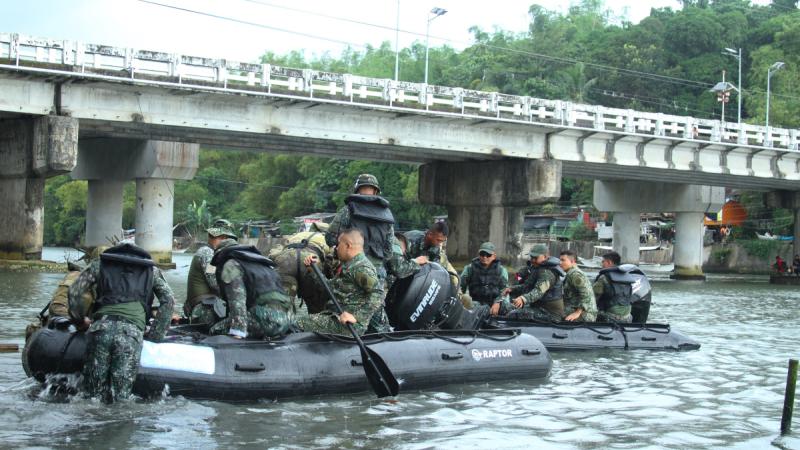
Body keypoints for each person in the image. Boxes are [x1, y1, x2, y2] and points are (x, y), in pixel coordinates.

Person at [68, 242, 175, 403]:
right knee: (121, 398)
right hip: (130, 334)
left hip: (100, 330)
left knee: (92, 398)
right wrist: (155, 335)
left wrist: (79, 320)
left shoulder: (99, 265)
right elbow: (169, 300)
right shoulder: (151, 270)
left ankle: (90, 426)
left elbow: (74, 291)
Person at [298, 229, 383, 336]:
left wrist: (357, 317)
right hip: (335, 316)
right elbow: (329, 289)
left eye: (338, 244)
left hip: (348, 326)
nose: (336, 248)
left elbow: (378, 293)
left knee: (296, 323)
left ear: (348, 245)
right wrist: (313, 270)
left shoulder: (361, 267)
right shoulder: (350, 265)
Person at [207, 236, 293, 339]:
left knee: (214, 330)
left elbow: (237, 303)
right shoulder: (263, 264)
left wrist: (238, 332)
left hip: (268, 321)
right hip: (288, 320)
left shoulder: (231, 265)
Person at [270, 222, 334, 314]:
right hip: (310, 260)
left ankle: (284, 324)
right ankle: (313, 324)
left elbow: (275, 252)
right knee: (317, 308)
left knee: (282, 305)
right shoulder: (326, 239)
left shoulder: (297, 235)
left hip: (286, 260)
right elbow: (331, 262)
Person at [183, 219, 237, 328]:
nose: (225, 241)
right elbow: (214, 282)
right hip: (204, 309)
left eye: (226, 238)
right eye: (223, 238)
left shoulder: (215, 254)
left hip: (211, 307)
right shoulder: (207, 253)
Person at [501, 243, 564, 321]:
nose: (532, 260)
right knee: (505, 308)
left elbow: (538, 291)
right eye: (531, 257)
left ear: (545, 257)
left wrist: (523, 298)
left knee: (514, 314)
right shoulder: (535, 268)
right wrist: (512, 288)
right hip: (538, 306)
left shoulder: (547, 273)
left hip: (549, 313)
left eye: (535, 257)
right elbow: (526, 285)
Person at [403, 222, 460, 301]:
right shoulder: (410, 239)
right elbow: (397, 264)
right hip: (400, 268)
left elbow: (435, 271)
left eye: (442, 241)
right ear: (430, 235)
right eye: (438, 240)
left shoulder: (435, 248)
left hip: (414, 274)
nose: (440, 244)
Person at [459, 242, 508, 315]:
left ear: (494, 256)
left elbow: (505, 291)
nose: (485, 257)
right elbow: (460, 287)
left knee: (507, 306)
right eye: (482, 254)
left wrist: (498, 302)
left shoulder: (502, 270)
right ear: (479, 255)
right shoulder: (469, 268)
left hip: (494, 303)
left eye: (488, 255)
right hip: (475, 303)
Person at [593, 251, 634, 323]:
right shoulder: (627, 276)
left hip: (610, 317)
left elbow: (593, 298)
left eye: (603, 262)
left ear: (609, 262)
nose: (601, 264)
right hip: (628, 317)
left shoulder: (604, 277)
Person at [559, 250, 597, 322]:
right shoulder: (571, 273)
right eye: (560, 260)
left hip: (585, 314)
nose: (560, 263)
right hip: (574, 308)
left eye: (563, 260)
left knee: (553, 315)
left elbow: (586, 294)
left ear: (572, 261)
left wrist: (577, 312)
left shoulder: (575, 274)